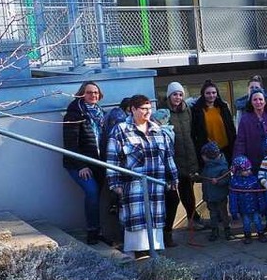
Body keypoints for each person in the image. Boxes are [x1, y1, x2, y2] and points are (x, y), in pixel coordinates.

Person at [106, 94, 179, 258]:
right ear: (132, 109)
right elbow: (112, 159)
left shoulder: (157, 130)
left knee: (155, 219)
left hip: (156, 183)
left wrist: (174, 178)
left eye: (149, 108)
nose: (147, 112)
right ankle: (136, 254)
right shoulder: (121, 130)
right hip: (134, 186)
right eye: (143, 109)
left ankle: (154, 252)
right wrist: (114, 184)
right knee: (136, 221)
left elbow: (168, 156)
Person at [62, 81, 110, 245]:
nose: (93, 95)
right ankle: (92, 231)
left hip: (99, 163)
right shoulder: (74, 114)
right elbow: (70, 143)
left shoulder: (101, 114)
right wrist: (81, 165)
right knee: (92, 192)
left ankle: (99, 231)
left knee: (98, 196)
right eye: (89, 92)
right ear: (82, 94)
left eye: (96, 93)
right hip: (79, 164)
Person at [165, 82, 201, 241]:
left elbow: (192, 134)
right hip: (173, 158)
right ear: (169, 96)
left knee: (189, 191)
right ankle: (168, 230)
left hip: (189, 155)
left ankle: (192, 219)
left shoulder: (188, 111)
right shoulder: (164, 112)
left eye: (180, 94)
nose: (178, 97)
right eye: (174, 94)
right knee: (174, 194)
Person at [234, 88, 267, 173]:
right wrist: (239, 158)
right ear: (251, 102)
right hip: (253, 159)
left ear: (265, 101)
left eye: (260, 99)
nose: (258, 102)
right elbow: (241, 141)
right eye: (255, 100)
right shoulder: (245, 119)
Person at [191, 80, 236, 163]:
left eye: (213, 92)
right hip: (209, 152)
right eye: (208, 93)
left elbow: (231, 128)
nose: (211, 95)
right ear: (203, 94)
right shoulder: (197, 110)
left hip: (226, 149)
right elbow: (195, 132)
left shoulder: (223, 107)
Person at [197, 142, 231, 242]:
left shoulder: (223, 167)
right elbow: (204, 177)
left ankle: (227, 230)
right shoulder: (207, 166)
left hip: (220, 196)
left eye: (204, 156)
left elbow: (226, 180)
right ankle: (214, 230)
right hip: (209, 196)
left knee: (223, 213)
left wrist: (218, 182)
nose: (202, 157)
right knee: (213, 214)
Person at [229, 155, 266, 243]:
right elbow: (233, 198)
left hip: (255, 206)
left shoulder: (254, 180)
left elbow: (259, 194)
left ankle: (260, 233)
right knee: (246, 222)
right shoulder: (235, 182)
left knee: (257, 220)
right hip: (243, 208)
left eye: (249, 169)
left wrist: (262, 206)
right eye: (245, 170)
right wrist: (233, 211)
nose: (248, 171)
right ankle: (247, 235)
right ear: (238, 171)